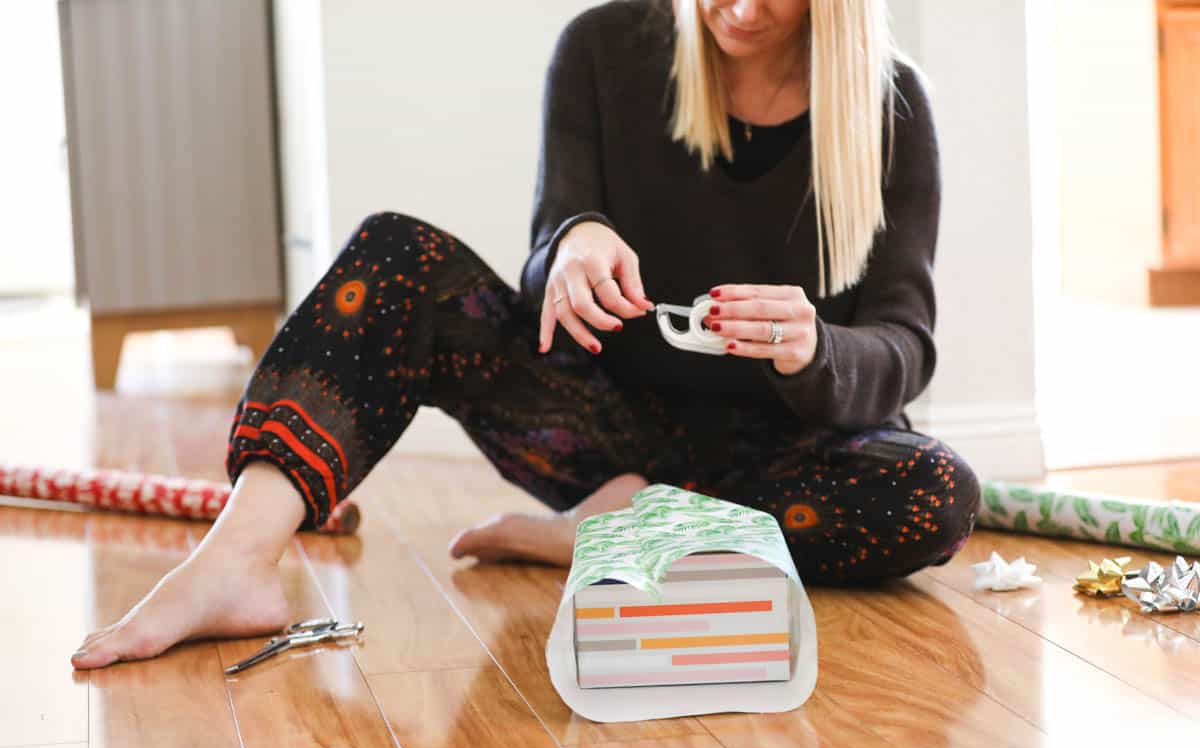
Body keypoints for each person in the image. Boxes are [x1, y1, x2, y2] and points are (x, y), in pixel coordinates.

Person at [71, 0, 980, 670]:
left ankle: (619, 529)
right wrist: (572, 240)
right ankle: (234, 562)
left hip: (777, 462)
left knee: (938, 494)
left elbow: (905, 346)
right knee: (397, 251)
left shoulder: (895, 107)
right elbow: (546, 262)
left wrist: (816, 347)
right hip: (598, 430)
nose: (737, 9)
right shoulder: (602, 47)